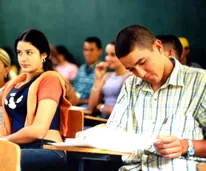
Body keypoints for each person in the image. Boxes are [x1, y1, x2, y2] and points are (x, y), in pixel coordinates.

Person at [77, 25, 206, 170]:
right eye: (131, 69)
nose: (141, 74)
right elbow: (114, 128)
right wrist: (88, 136)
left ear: (158, 47)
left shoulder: (200, 83)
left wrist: (186, 145)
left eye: (142, 62)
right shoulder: (132, 85)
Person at [0, 29, 71, 171]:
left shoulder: (50, 80)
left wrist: (3, 141)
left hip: (47, 148)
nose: (23, 58)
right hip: (20, 146)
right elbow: (7, 128)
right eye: (19, 53)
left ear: (43, 55)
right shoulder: (15, 84)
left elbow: (38, 130)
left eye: (29, 52)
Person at [88, 41, 131, 118]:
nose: (108, 58)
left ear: (124, 56)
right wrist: (98, 78)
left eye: (113, 55)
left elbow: (122, 110)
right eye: (106, 54)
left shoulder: (130, 77)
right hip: (100, 120)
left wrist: (101, 107)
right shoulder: (107, 76)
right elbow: (92, 107)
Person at [72, 37, 102, 107]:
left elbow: (100, 99)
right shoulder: (81, 68)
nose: (88, 53)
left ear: (99, 51)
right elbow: (74, 88)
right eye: (85, 50)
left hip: (88, 107)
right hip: (74, 105)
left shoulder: (102, 69)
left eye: (91, 50)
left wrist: (79, 101)